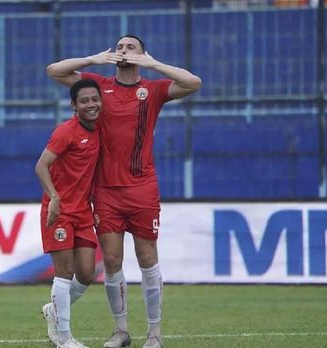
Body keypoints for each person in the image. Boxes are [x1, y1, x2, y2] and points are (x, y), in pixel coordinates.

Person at [46, 34, 202, 348]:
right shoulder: (98, 87)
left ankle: (155, 334)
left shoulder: (154, 90)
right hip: (105, 191)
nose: (124, 50)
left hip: (142, 188)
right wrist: (93, 58)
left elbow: (193, 83)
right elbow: (55, 71)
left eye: (131, 47)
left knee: (147, 258)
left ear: (143, 54)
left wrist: (154, 64)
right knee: (113, 261)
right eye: (119, 46)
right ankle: (121, 331)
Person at [35, 78, 102, 348]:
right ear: (74, 105)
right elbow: (41, 166)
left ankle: (53, 310)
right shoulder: (65, 132)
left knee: (86, 274)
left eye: (94, 99)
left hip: (84, 212)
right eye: (84, 101)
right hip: (59, 211)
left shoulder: (101, 130)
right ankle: (64, 337)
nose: (91, 104)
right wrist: (54, 197)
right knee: (64, 273)